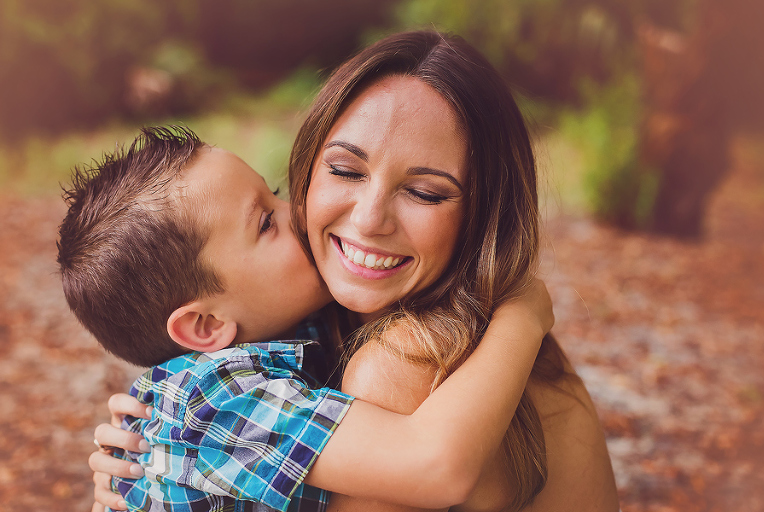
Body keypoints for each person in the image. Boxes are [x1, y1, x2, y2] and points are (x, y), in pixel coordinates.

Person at [94, 31, 620, 511]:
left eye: (425, 192)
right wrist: (142, 471)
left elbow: (436, 465)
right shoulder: (308, 341)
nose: (368, 221)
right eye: (345, 170)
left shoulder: (398, 365)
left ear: (485, 213)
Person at [60, 126, 553, 511]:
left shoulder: (286, 328)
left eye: (274, 192)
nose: (297, 213)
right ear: (207, 327)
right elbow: (436, 466)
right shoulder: (215, 400)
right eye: (266, 222)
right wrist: (523, 316)